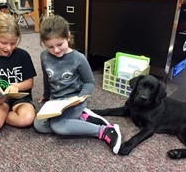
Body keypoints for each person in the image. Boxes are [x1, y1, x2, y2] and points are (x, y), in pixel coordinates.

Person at [34, 15, 121, 154]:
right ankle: (82, 118)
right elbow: (46, 77)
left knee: (59, 127)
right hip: (55, 102)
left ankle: (104, 130)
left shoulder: (78, 58)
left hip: (74, 100)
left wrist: (78, 99)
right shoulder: (44, 56)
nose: (56, 50)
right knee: (39, 125)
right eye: (50, 46)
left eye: (60, 44)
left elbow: (90, 82)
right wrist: (46, 95)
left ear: (68, 36)